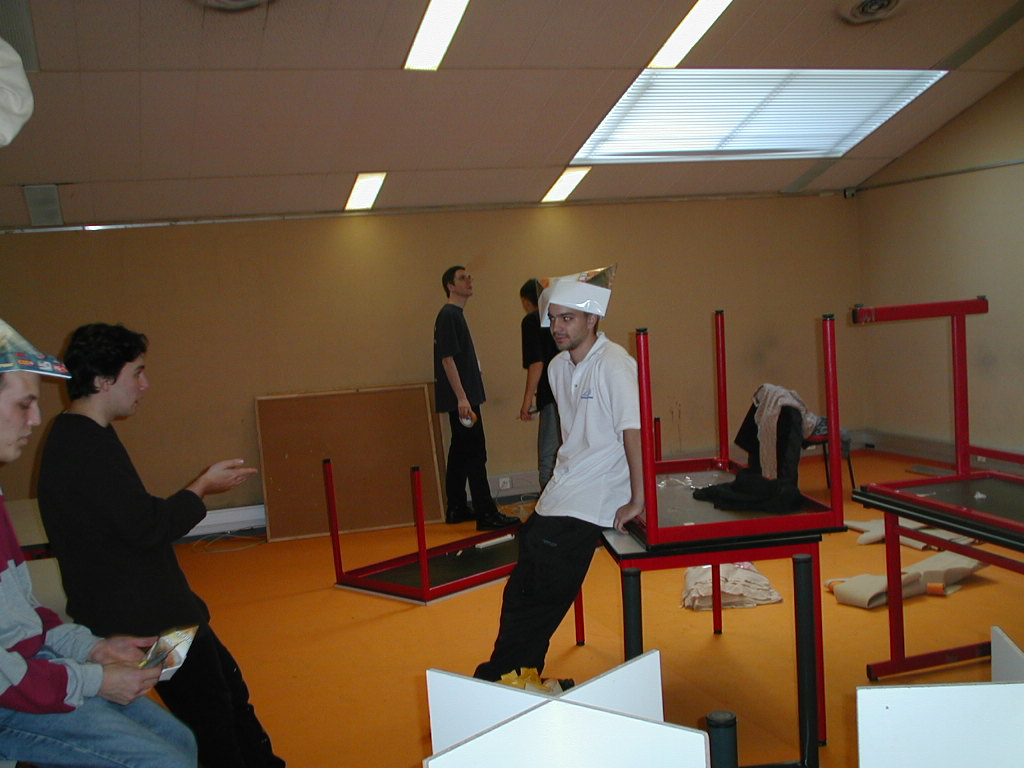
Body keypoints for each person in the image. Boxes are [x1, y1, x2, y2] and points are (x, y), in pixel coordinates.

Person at [37, 323, 285, 768]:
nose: (145, 384)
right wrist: (201, 487)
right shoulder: (82, 445)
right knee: (213, 717)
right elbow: (149, 526)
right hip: (153, 623)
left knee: (227, 696)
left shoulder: (84, 436)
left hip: (157, 610)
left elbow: (130, 518)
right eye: (137, 373)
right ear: (102, 380)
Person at [0, 318, 197, 768]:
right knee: (169, 757)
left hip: (43, 659)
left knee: (181, 740)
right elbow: (146, 527)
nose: (35, 418)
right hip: (17, 689)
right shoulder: (80, 442)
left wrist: (90, 649)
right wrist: (92, 679)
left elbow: (21, 613)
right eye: (24, 404)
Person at [474, 269, 644, 684]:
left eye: (568, 318)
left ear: (592, 319)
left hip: (594, 497)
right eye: (554, 318)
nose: (557, 327)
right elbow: (573, 438)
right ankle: (514, 674)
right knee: (521, 588)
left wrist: (638, 499)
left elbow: (633, 431)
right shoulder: (557, 368)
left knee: (536, 599)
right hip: (563, 491)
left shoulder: (615, 364)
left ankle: (508, 678)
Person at [434, 266, 519, 531]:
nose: (469, 280)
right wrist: (462, 399)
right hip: (464, 400)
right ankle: (486, 514)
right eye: (462, 278)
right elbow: (447, 359)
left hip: (465, 397)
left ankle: (457, 507)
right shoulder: (449, 315)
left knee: (460, 451)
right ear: (450, 286)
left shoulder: (455, 315)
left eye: (469, 276)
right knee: (475, 453)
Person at [518, 278, 561, 490]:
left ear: (526, 301)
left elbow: (536, 362)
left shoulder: (532, 321)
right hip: (571, 391)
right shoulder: (559, 317)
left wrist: (527, 400)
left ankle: (548, 502)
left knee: (548, 453)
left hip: (550, 393)